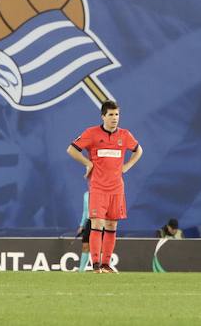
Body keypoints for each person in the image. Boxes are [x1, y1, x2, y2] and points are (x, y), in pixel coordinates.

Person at [67, 100, 143, 273]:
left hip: (116, 189)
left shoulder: (125, 135)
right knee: (97, 224)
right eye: (111, 115)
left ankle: (106, 265)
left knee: (111, 226)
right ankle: (95, 265)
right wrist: (88, 163)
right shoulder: (91, 133)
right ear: (103, 116)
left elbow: (139, 150)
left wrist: (127, 166)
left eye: (117, 114)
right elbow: (71, 149)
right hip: (98, 187)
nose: (114, 118)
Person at [77, 190, 90, 272]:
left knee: (101, 248)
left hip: (100, 221)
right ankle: (81, 270)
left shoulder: (102, 192)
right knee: (85, 246)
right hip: (89, 222)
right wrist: (82, 225)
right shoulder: (86, 195)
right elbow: (85, 211)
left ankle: (104, 268)